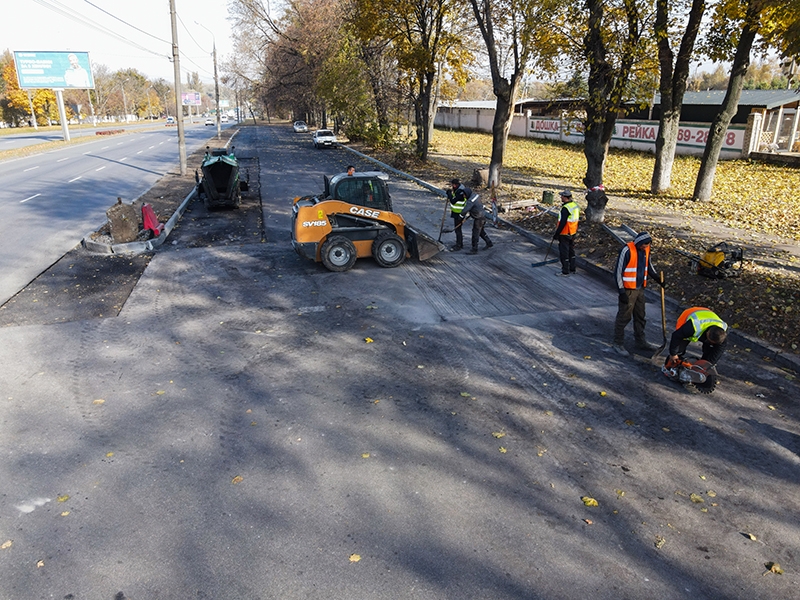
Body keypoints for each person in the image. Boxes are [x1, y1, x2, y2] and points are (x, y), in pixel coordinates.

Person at [611, 231, 663, 357]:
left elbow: (648, 266)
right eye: (643, 246)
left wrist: (657, 278)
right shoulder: (626, 250)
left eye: (647, 246)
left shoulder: (646, 249)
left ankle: (640, 341)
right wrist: (621, 291)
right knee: (624, 316)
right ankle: (618, 343)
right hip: (628, 290)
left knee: (640, 316)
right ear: (639, 243)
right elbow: (618, 272)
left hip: (640, 288)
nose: (645, 248)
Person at [663, 307, 728, 373]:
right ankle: (670, 366)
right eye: (709, 340)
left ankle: (701, 366)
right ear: (708, 333)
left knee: (710, 349)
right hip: (689, 316)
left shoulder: (721, 334)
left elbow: (718, 351)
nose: (709, 342)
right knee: (678, 349)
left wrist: (707, 365)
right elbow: (676, 336)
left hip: (707, 315)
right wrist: (673, 354)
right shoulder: (692, 327)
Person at [459, 184, 493, 255]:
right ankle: (489, 242)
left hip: (479, 218)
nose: (463, 196)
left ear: (467, 194)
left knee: (475, 233)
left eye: (464, 195)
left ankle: (474, 249)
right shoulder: (475, 195)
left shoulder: (470, 201)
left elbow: (465, 210)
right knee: (480, 231)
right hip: (482, 216)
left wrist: (461, 216)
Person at [553, 190, 579, 276]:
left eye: (562, 196)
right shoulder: (574, 205)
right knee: (571, 251)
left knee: (564, 252)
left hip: (565, 233)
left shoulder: (565, 208)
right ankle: (572, 268)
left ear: (565, 197)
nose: (560, 197)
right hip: (572, 232)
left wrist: (557, 234)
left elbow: (563, 222)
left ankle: (565, 271)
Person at [446, 179, 469, 251]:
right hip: (457, 212)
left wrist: (449, 194)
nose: (452, 186)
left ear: (455, 184)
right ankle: (459, 243)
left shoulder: (460, 192)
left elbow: (453, 201)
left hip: (459, 213)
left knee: (458, 229)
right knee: (458, 229)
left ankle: (459, 245)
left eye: (452, 185)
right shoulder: (459, 189)